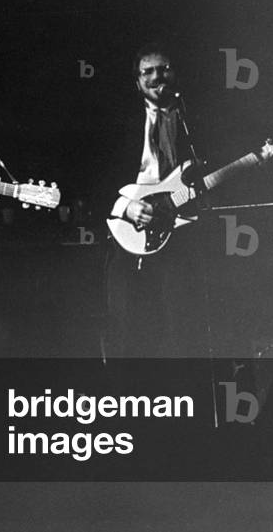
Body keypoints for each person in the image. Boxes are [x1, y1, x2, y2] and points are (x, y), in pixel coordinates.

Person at [101, 44, 206, 357]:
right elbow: (94, 176)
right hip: (127, 229)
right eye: (148, 71)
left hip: (179, 228)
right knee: (125, 325)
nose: (157, 76)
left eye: (164, 68)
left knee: (181, 325)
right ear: (137, 82)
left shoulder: (193, 118)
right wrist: (127, 206)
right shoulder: (118, 122)